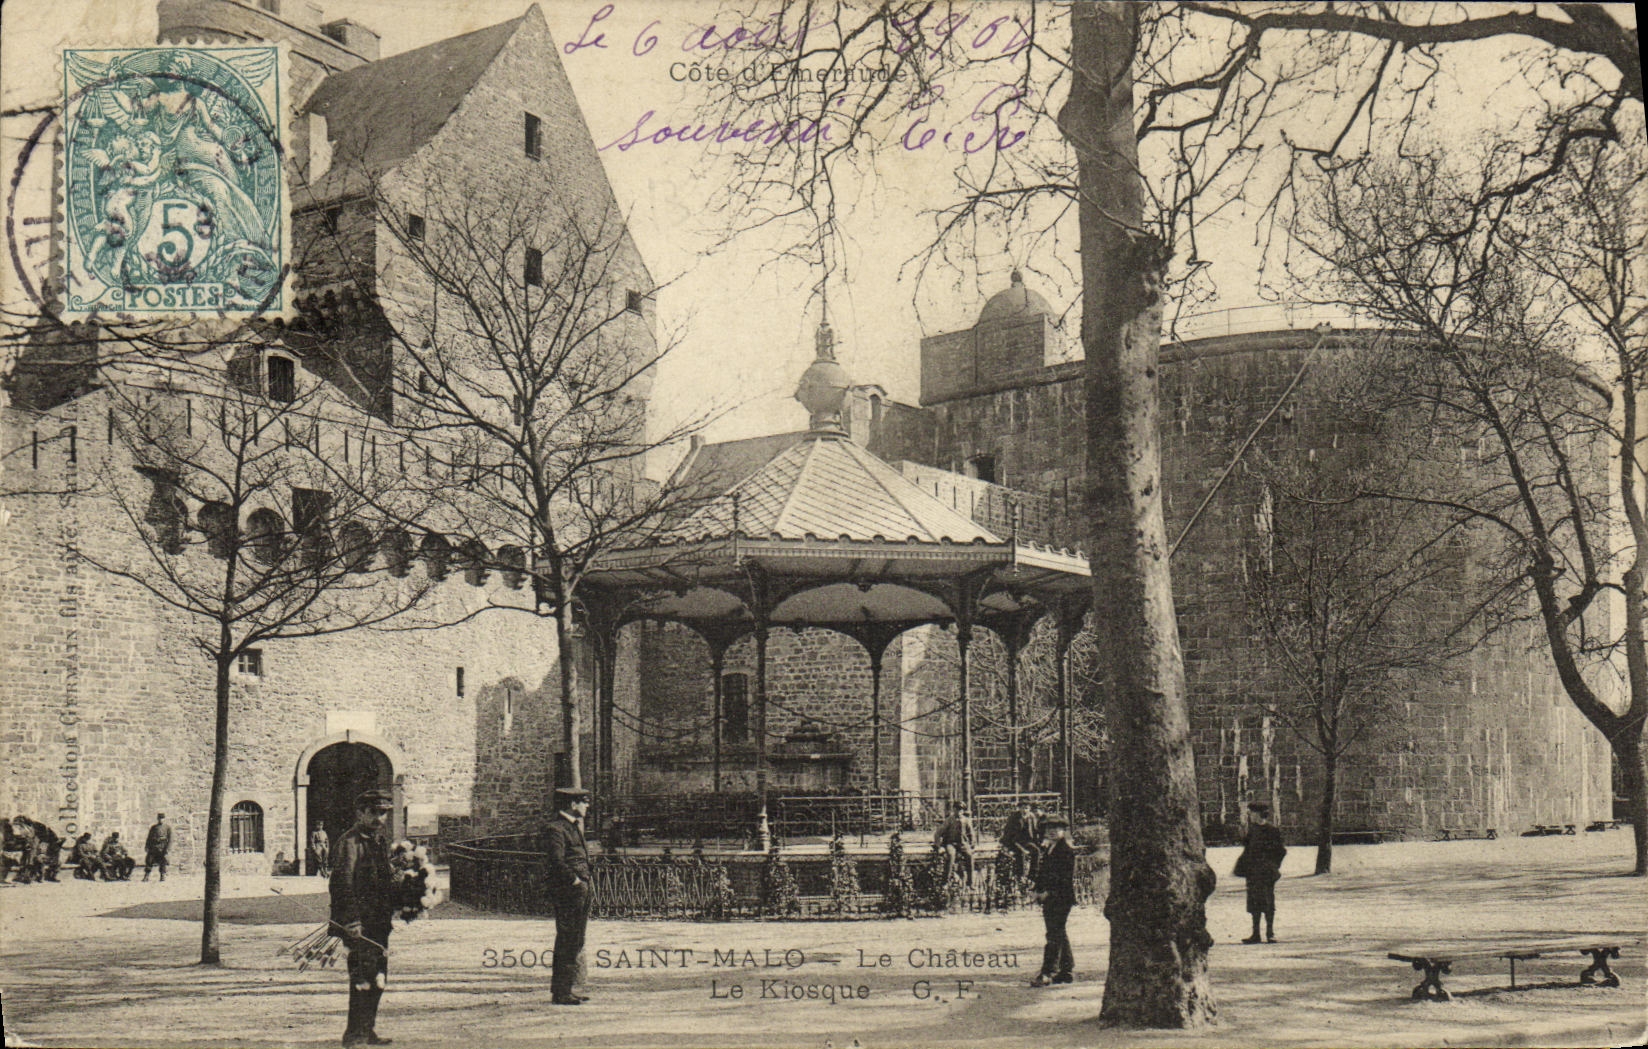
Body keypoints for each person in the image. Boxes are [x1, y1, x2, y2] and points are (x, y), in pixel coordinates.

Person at [330, 789, 396, 1047]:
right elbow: (342, 884)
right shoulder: (350, 842)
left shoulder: (378, 841)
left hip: (379, 923)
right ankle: (354, 1036)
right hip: (359, 924)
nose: (380, 818)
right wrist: (351, 920)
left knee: (378, 977)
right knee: (362, 979)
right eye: (374, 812)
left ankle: (367, 1030)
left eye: (383, 813)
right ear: (360, 813)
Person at [542, 786, 592, 1006]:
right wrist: (575, 880)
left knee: (576, 939)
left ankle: (568, 988)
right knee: (567, 939)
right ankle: (561, 992)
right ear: (572, 805)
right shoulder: (555, 828)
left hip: (580, 890)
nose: (587, 805)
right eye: (583, 801)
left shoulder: (572, 826)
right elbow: (556, 861)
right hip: (568, 891)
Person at [1030, 812, 1076, 986]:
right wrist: (1036, 890)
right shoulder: (1050, 849)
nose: (1052, 831)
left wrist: (1048, 893)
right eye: (1049, 828)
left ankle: (1048, 972)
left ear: (1064, 831)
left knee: (1053, 934)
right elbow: (1043, 874)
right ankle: (1066, 970)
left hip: (1060, 898)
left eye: (1057, 828)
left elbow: (1064, 879)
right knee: (1059, 932)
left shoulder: (1066, 851)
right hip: (1051, 898)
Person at [1233, 800, 1287, 944]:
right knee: (1254, 902)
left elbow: (1281, 851)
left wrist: (1273, 866)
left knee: (1268, 902)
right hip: (1253, 872)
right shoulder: (1253, 829)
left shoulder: (1272, 830)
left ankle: (1270, 933)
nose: (1250, 816)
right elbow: (1247, 847)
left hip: (1266, 873)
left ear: (1258, 814)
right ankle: (1255, 934)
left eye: (1251, 813)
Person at [933, 801, 976, 886]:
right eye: (957, 809)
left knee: (970, 856)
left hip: (963, 844)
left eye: (961, 810)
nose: (959, 811)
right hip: (951, 843)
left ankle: (970, 882)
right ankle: (945, 881)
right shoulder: (949, 820)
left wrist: (972, 843)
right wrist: (939, 846)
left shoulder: (966, 820)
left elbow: (971, 833)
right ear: (954, 809)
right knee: (951, 855)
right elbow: (938, 833)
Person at [999, 802, 1040, 885]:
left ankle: (1032, 876)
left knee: (1036, 851)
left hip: (1026, 841)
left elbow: (1035, 831)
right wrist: (1021, 848)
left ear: (1030, 809)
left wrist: (1038, 842)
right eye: (1023, 808)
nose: (1025, 810)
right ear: (1020, 808)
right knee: (1020, 854)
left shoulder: (1031, 817)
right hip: (1013, 841)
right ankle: (1020, 876)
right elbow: (1010, 834)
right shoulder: (1014, 818)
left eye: (1026, 808)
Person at [144, 812, 172, 882]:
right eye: (159, 818)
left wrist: (167, 848)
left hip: (162, 847)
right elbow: (149, 838)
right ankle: (146, 875)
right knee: (149, 860)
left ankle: (162, 875)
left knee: (163, 861)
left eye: (162, 818)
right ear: (157, 819)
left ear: (164, 819)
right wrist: (147, 846)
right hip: (154, 847)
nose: (161, 820)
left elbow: (170, 839)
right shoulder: (153, 827)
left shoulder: (167, 828)